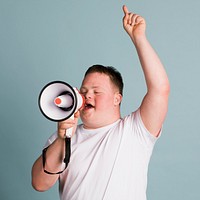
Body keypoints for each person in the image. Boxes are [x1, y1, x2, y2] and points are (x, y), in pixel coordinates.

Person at [32, 5, 170, 200]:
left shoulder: (135, 130)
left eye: (97, 92)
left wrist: (139, 38)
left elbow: (160, 89)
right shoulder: (63, 137)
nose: (88, 96)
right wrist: (63, 139)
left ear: (117, 98)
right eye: (84, 91)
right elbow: (39, 184)